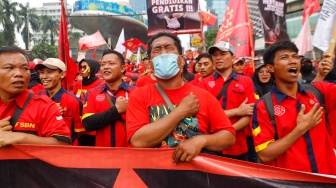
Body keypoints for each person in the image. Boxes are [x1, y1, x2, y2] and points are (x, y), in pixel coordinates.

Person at [126, 32, 236, 164]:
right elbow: (138, 141)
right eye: (157, 49)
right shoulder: (139, 95)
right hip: (154, 176)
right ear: (150, 64)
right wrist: (181, 111)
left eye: (169, 48)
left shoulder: (204, 96)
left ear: (182, 61)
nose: (163, 53)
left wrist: (201, 141)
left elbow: (229, 136)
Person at [251, 41, 336, 175]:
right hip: (293, 182)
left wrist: (330, 68)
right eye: (284, 57)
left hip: (328, 178)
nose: (293, 61)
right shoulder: (264, 106)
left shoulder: (319, 91)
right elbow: (264, 155)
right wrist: (300, 129)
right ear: (270, 68)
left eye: (295, 56)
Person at [0, 46, 71, 147]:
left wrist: (19, 138)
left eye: (25, 68)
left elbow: (64, 146)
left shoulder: (44, 106)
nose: (19, 74)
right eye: (9, 68)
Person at [198, 41, 256, 161]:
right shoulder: (203, 83)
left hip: (238, 146)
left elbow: (249, 113)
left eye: (223, 54)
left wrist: (227, 134)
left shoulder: (246, 82)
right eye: (215, 55)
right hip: (211, 147)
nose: (218, 58)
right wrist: (237, 111)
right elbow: (204, 115)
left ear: (233, 57)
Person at [82, 50, 134, 147]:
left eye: (111, 63)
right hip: (103, 155)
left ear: (122, 68)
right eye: (103, 64)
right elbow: (88, 124)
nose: (105, 67)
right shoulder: (93, 93)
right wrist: (116, 110)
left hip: (130, 154)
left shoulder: (136, 93)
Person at [35, 58, 84, 144]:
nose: (44, 76)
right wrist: (50, 112)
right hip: (39, 150)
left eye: (49, 72)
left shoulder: (74, 101)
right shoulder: (35, 98)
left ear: (62, 74)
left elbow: (78, 132)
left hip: (66, 152)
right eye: (42, 72)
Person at [72, 58, 104, 146]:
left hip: (93, 127)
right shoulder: (78, 84)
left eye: (85, 67)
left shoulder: (101, 84)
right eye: (81, 67)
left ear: (92, 68)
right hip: (79, 127)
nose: (82, 70)